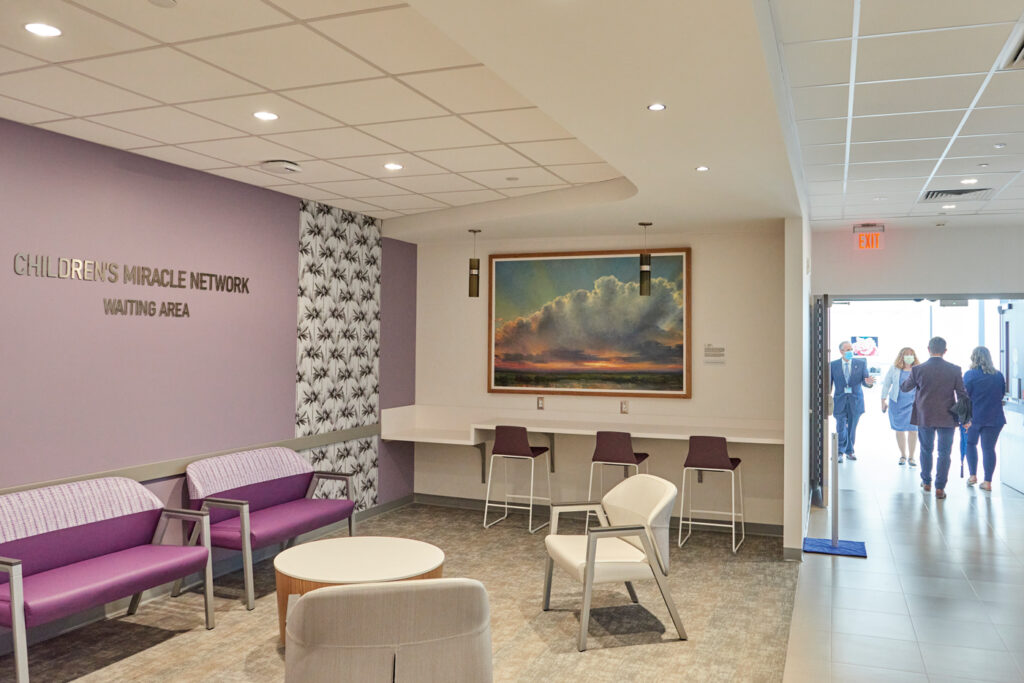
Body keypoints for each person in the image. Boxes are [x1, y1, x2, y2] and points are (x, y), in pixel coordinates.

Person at [901, 336, 969, 499]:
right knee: (944, 452)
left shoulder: (918, 369)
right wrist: (966, 419)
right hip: (948, 416)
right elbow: (962, 394)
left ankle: (926, 482)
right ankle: (940, 487)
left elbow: (905, 388)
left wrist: (910, 372)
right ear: (945, 351)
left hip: (925, 415)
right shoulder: (954, 369)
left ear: (928, 350)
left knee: (926, 449)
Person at [963, 346, 1006, 491]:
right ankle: (987, 482)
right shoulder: (998, 375)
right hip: (994, 418)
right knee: (988, 448)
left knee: (970, 444)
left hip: (974, 417)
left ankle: (972, 476)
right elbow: (1001, 394)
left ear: (973, 357)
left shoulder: (970, 375)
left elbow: (964, 397)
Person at [830, 340, 875, 463]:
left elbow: (865, 381)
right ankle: (839, 451)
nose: (850, 351)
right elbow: (829, 384)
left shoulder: (860, 364)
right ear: (841, 351)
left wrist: (868, 383)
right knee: (840, 426)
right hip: (839, 401)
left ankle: (849, 451)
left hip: (855, 401)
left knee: (851, 427)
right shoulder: (833, 365)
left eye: (851, 349)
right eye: (848, 349)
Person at [881, 347, 919, 466]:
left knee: (913, 430)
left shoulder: (918, 369)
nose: (909, 356)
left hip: (914, 404)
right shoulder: (894, 369)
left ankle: (911, 457)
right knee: (899, 429)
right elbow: (886, 384)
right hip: (897, 403)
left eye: (911, 354)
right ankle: (903, 455)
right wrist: (883, 400)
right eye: (906, 354)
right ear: (901, 356)